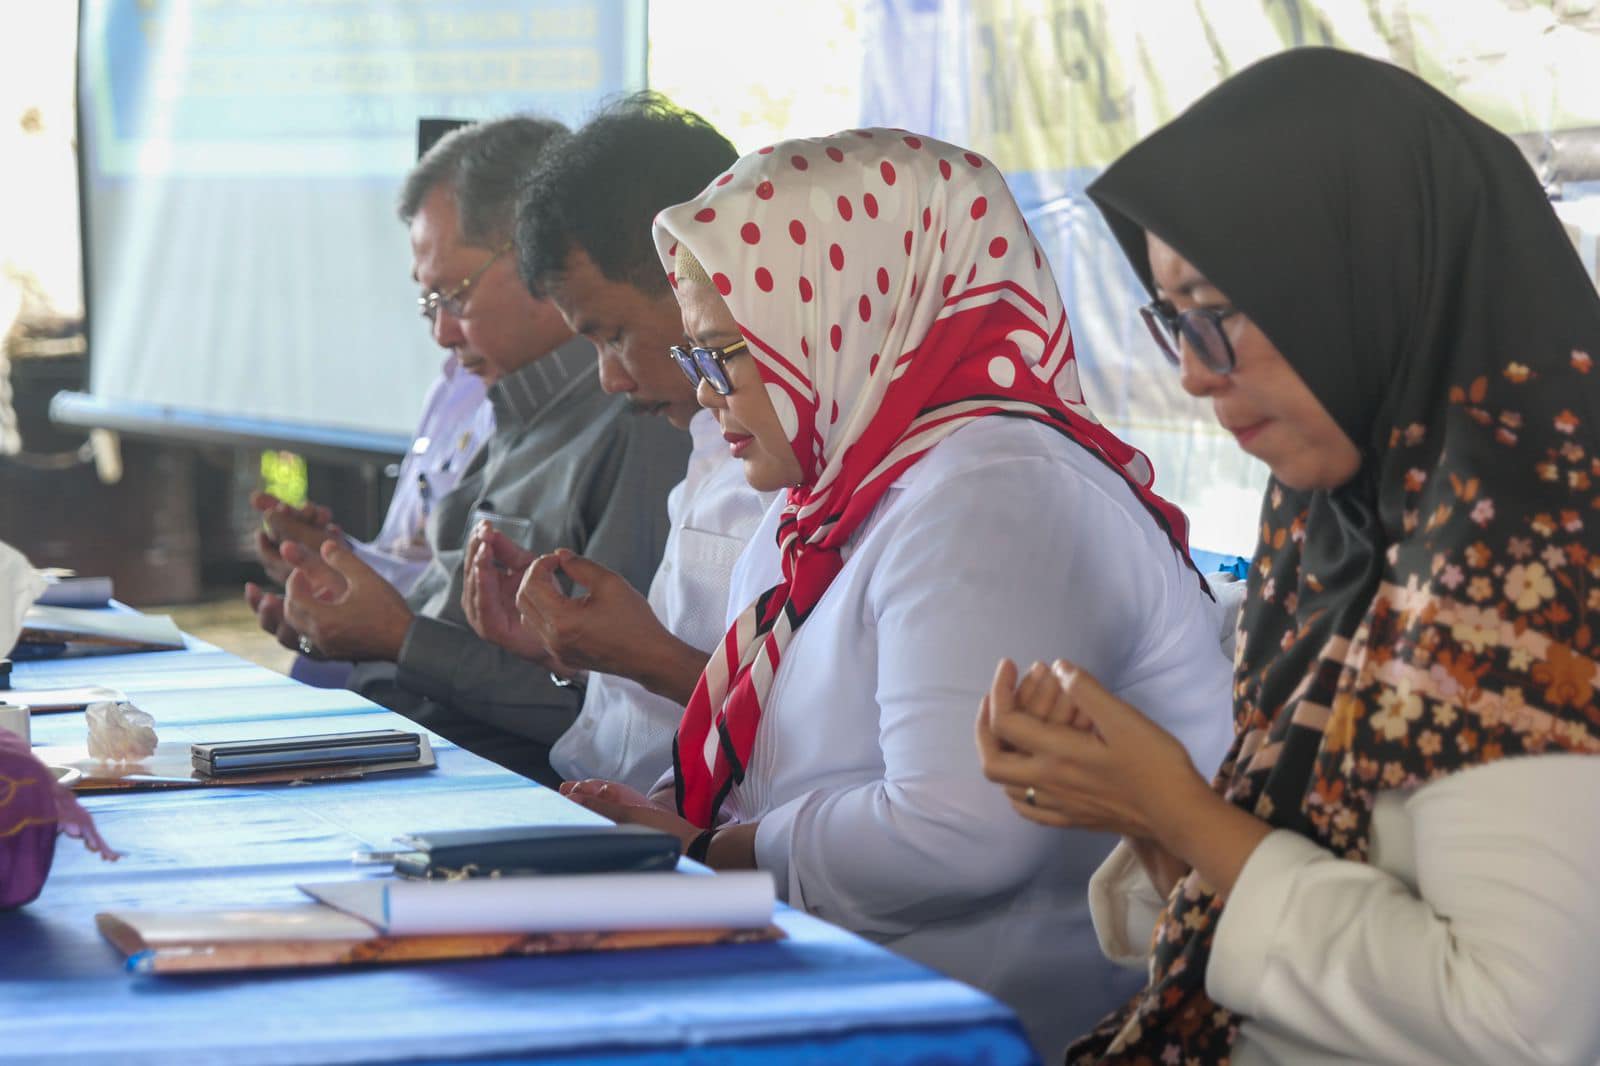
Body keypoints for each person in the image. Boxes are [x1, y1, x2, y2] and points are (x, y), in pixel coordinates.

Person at [976, 49, 1600, 1066]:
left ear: (1365, 271)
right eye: (1171, 317)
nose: (1188, 373)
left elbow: (1522, 1027)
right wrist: (1140, 809)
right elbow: (1303, 905)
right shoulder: (1340, 520)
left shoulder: (1534, 544)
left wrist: (1173, 803)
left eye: (1216, 313)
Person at [563, 129, 1235, 1056]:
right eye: (695, 360)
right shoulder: (830, 500)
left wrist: (705, 852)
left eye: (727, 355)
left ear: (847, 319)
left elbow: (962, 833)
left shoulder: (995, 493)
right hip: (839, 981)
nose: (708, 395)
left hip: (981, 1025)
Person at [247, 116, 690, 785]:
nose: (443, 333)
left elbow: (614, 714)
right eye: (429, 301)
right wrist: (340, 610)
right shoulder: (517, 408)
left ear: (537, 253)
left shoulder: (646, 417)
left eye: (453, 294)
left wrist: (396, 640)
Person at [459, 93, 771, 791]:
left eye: (616, 333)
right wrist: (569, 649)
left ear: (690, 276)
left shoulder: (792, 470)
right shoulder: (707, 443)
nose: (609, 378)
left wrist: (644, 655)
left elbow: (812, 742)